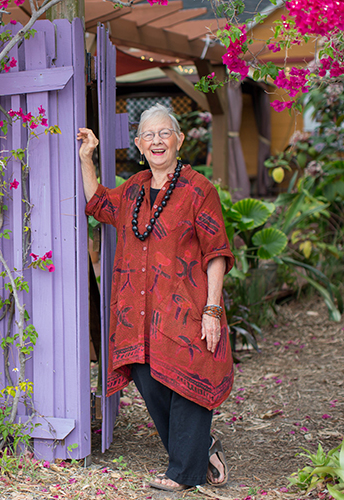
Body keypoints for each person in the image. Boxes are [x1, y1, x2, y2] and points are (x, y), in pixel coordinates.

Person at [77, 104, 234, 491]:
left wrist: (212, 309)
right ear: (138, 144)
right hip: (139, 314)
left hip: (187, 309)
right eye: (149, 135)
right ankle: (202, 446)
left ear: (179, 140)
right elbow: (98, 203)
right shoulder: (132, 189)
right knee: (148, 380)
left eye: (165, 133)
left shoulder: (199, 190)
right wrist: (86, 158)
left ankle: (184, 472)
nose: (157, 140)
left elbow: (216, 252)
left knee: (189, 380)